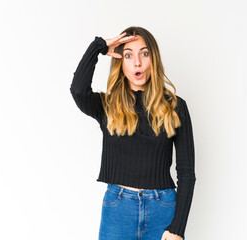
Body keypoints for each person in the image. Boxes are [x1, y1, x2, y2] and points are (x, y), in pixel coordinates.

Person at [70, 26, 196, 240]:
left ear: (153, 59)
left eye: (144, 54)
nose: (137, 62)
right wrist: (98, 47)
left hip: (162, 208)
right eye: (128, 55)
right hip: (118, 208)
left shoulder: (175, 106)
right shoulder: (107, 105)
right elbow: (79, 90)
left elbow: (186, 172)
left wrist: (177, 228)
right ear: (120, 62)